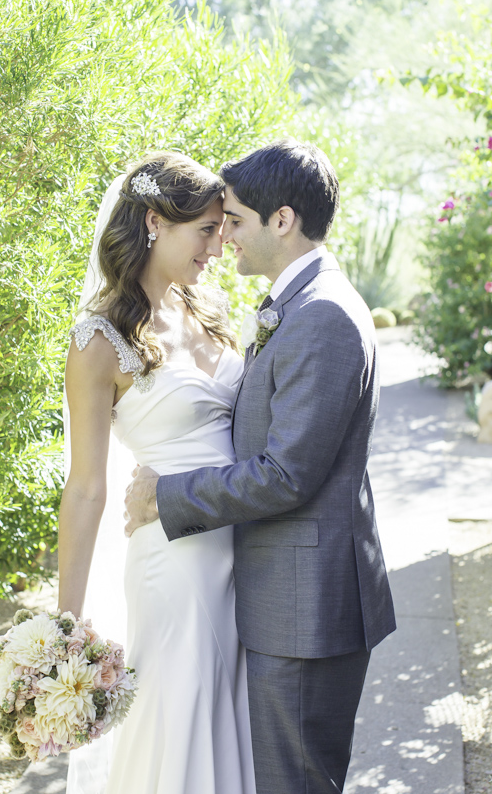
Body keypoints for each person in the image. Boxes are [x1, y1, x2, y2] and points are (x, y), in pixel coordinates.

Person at [125, 138, 397, 794]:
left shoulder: (323, 315)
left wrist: (169, 495)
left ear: (283, 220)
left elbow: (286, 474)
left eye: (237, 222)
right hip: (285, 599)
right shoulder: (303, 304)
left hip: (305, 610)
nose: (227, 241)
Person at [59, 151, 257, 794]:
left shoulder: (206, 308)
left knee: (235, 717)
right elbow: (87, 487)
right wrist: (66, 626)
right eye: (205, 229)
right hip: (173, 565)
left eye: (222, 226)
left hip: (243, 548)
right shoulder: (98, 340)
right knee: (179, 715)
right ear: (153, 221)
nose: (219, 243)